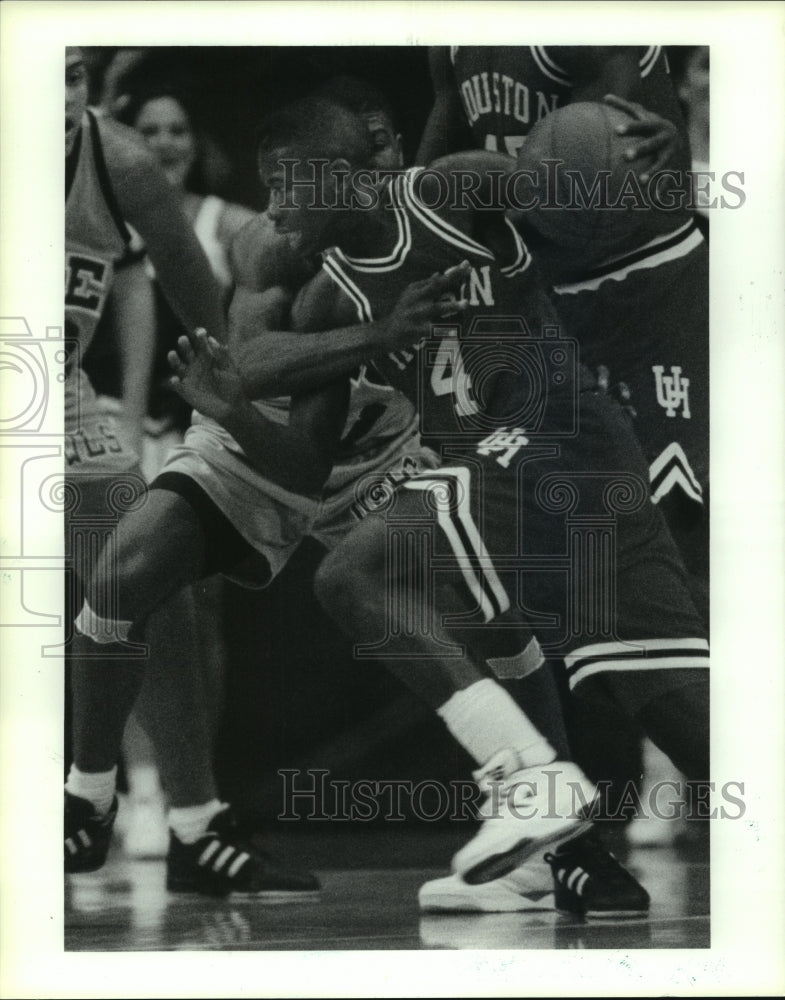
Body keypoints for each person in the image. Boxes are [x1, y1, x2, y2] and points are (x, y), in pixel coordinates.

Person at [247, 96, 709, 907]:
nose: (274, 207)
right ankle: (543, 850)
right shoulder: (329, 304)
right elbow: (300, 452)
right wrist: (225, 406)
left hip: (556, 429)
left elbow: (578, 190)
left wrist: (664, 172)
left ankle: (529, 782)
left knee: (358, 575)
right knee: (696, 732)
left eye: (286, 183)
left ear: (345, 178)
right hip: (518, 472)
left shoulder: (447, 191)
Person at [63, 46, 323, 900]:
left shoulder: (119, 161)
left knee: (149, 563)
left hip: (49, 393)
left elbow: (207, 323)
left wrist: (255, 400)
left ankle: (192, 823)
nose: (58, 95)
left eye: (71, 76)